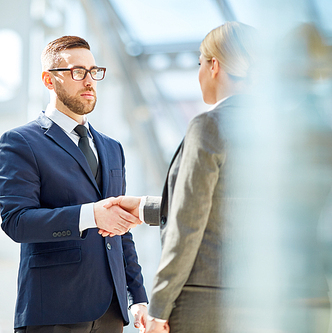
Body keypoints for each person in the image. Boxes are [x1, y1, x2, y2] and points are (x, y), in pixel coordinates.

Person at [0, 35, 148, 333]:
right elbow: (17, 222)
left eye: (93, 71)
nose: (89, 81)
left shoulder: (112, 148)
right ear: (49, 81)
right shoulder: (20, 143)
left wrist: (136, 296)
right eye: (77, 72)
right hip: (53, 311)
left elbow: (122, 230)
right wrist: (91, 215)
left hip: (111, 313)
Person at [106, 22, 257, 332]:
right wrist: (147, 208)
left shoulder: (210, 126)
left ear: (214, 65)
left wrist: (159, 308)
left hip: (205, 306)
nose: (199, 72)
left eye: (200, 63)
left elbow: (189, 223)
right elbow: (226, 202)